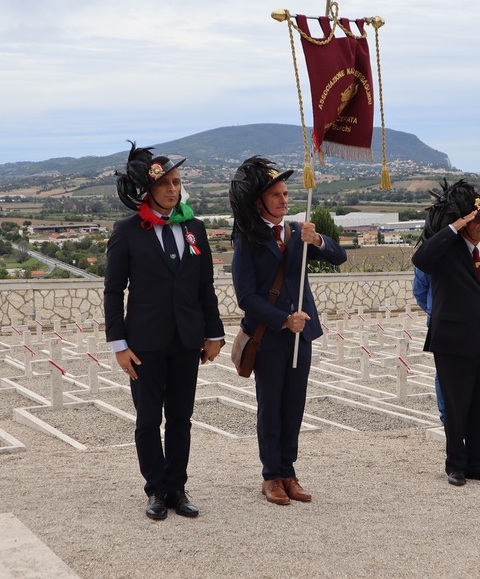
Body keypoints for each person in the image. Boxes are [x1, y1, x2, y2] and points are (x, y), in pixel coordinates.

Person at [104, 141, 225, 520]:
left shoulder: (194, 228)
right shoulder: (127, 232)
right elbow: (113, 291)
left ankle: (177, 487)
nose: (173, 189)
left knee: (180, 419)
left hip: (187, 341)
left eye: (177, 182)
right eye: (165, 183)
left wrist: (214, 333)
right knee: (147, 420)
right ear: (148, 189)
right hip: (144, 343)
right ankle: (155, 489)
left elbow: (205, 285)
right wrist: (118, 344)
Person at [229, 156, 347, 505]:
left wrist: (319, 239)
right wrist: (283, 319)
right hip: (269, 337)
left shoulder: (298, 233)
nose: (283, 199)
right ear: (259, 202)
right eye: (275, 195)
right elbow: (246, 296)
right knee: (271, 406)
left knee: (294, 406)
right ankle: (271, 476)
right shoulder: (247, 238)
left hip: (301, 336)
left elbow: (339, 257)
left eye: (284, 193)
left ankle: (289, 472)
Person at [412, 179, 480, 487]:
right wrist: (455, 226)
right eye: (477, 218)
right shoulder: (445, 252)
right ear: (463, 221)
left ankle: (478, 463)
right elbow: (421, 258)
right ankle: (456, 465)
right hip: (453, 343)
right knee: (455, 407)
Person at [411, 267, 445, 423]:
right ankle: (446, 415)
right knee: (443, 369)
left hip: (467, 317)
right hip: (439, 317)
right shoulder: (430, 257)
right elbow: (419, 290)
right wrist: (432, 309)